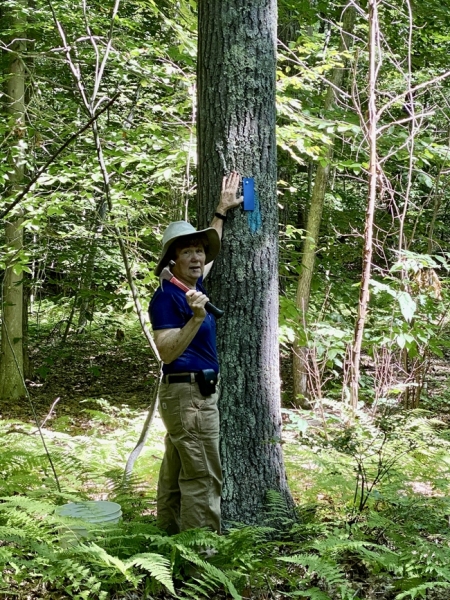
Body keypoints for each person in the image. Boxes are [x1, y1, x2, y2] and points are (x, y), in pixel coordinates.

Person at [149, 172, 242, 534]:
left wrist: (221, 211)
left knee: (175, 474)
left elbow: (210, 249)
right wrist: (197, 318)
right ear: (172, 259)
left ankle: (169, 541)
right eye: (186, 250)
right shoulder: (166, 297)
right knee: (203, 476)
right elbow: (167, 351)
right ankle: (200, 559)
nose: (196, 256)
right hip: (188, 396)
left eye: (199, 250)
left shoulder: (193, 281)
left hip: (189, 395)